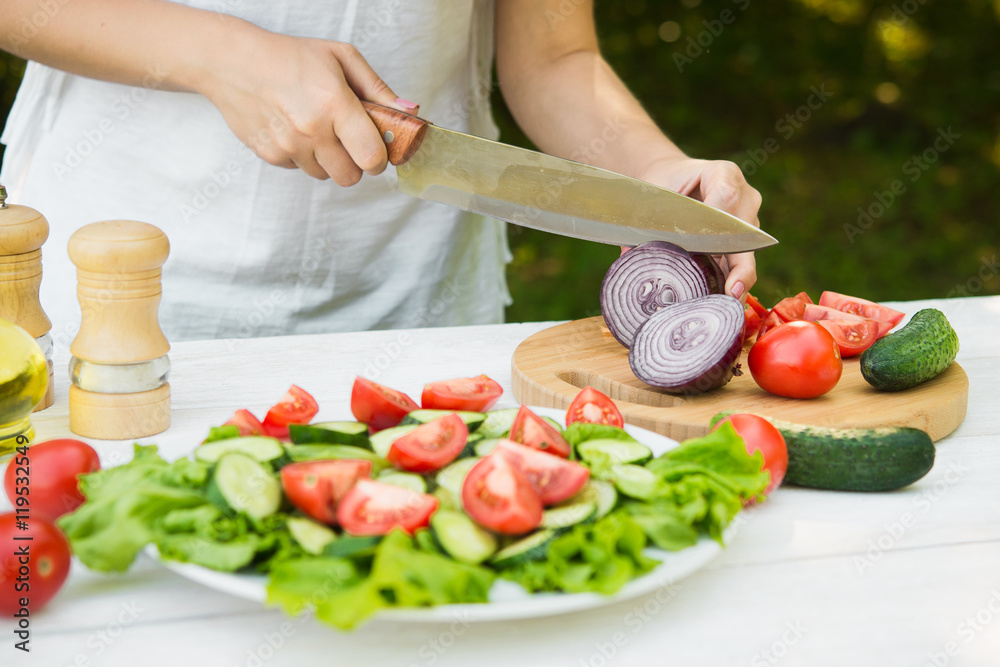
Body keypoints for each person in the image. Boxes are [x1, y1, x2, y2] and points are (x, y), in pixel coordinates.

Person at [0, 0, 761, 345]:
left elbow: (555, 55)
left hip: (415, 303)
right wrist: (221, 55)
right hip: (114, 292)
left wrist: (656, 171)